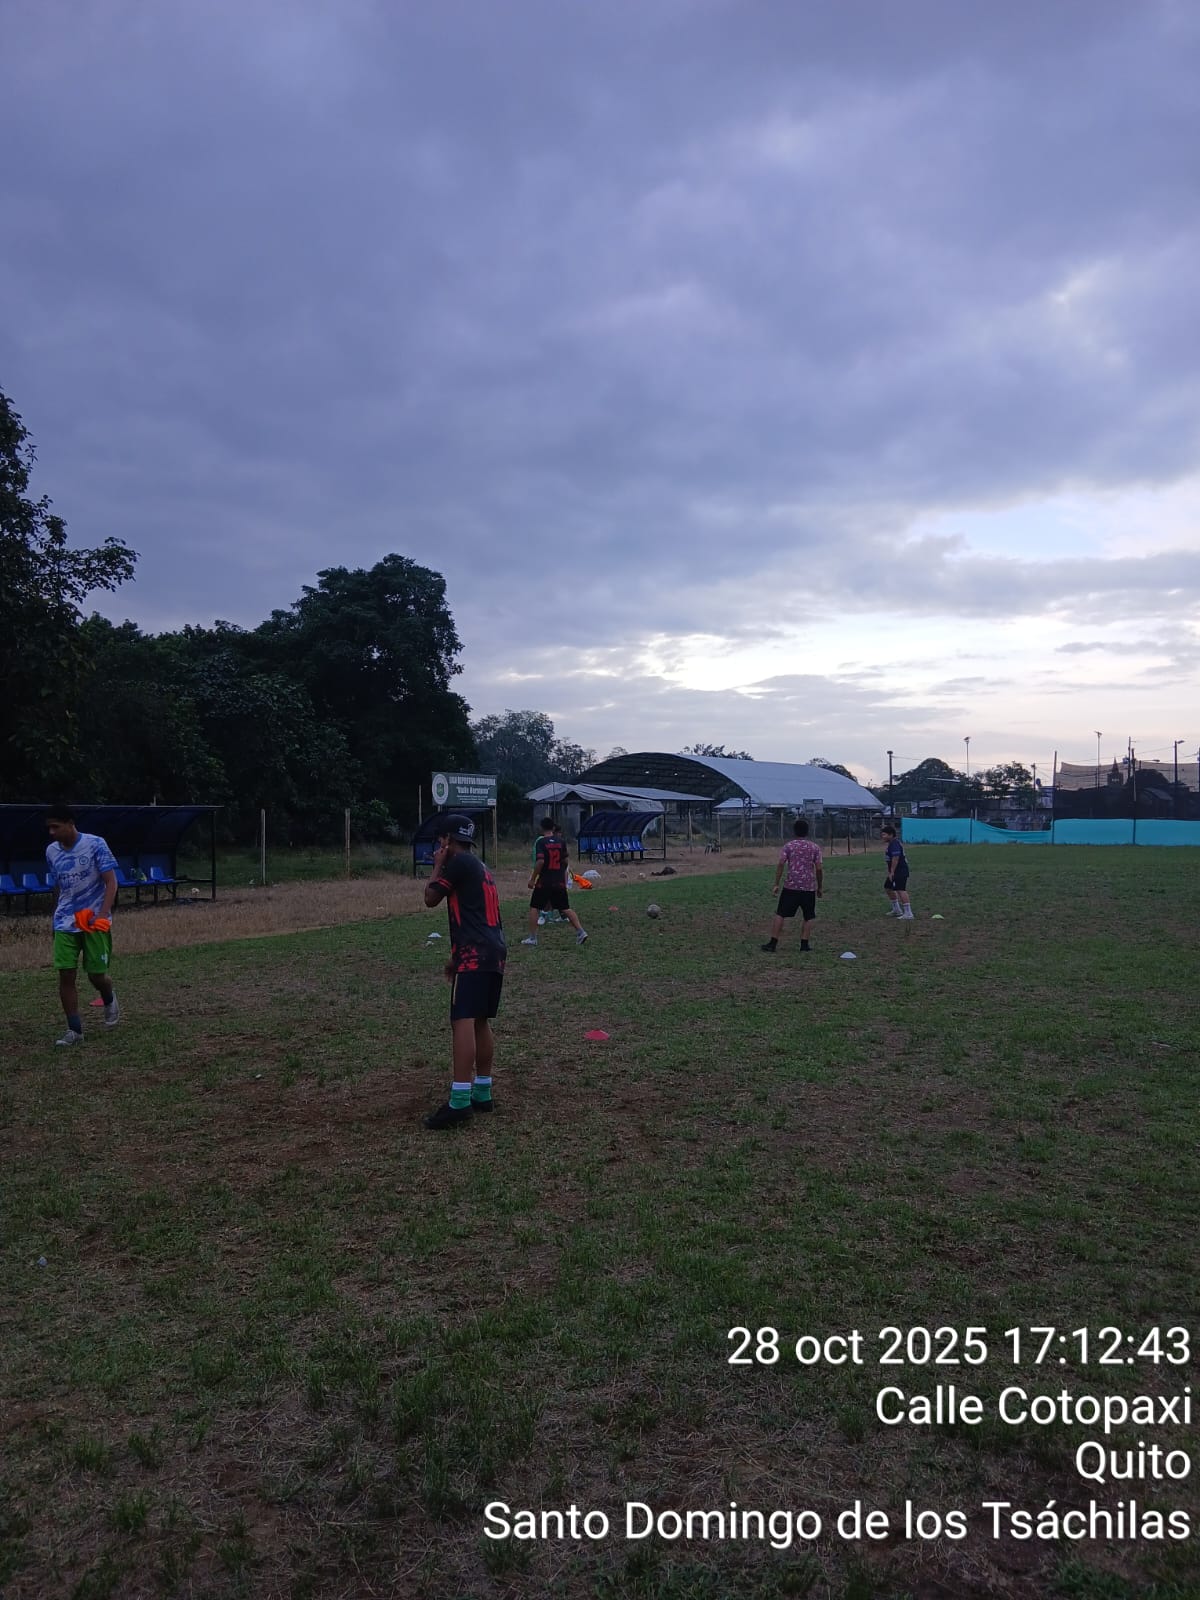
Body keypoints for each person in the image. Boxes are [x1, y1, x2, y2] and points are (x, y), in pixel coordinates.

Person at [422, 813, 507, 1129]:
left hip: (475, 953)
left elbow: (430, 898)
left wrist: (436, 866)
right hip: (493, 950)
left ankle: (459, 1101)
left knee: (462, 1020)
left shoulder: (457, 863)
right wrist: (456, 957)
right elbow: (477, 914)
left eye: (440, 841)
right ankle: (482, 1092)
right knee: (480, 1019)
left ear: (446, 840)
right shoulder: (480, 866)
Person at [45, 803, 120, 1045]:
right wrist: (54, 918)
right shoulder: (51, 852)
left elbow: (111, 882)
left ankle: (108, 996)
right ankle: (75, 1030)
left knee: (97, 975)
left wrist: (102, 914)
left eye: (56, 827)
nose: (52, 832)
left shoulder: (96, 844)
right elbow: (58, 886)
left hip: (93, 922)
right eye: (49, 828)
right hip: (65, 922)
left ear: (70, 823)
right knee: (66, 975)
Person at [522, 818, 588, 947]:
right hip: (559, 881)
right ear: (553, 828)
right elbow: (565, 861)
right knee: (565, 908)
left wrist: (533, 878)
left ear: (541, 828)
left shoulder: (541, 842)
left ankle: (532, 938)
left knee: (534, 907)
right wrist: (560, 873)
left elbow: (540, 861)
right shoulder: (561, 842)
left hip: (544, 881)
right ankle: (581, 932)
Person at [761, 817, 823, 953]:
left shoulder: (788, 846)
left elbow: (781, 864)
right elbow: (819, 868)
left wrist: (776, 883)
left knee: (780, 914)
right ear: (807, 831)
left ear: (794, 831)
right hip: (808, 887)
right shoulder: (815, 847)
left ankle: (772, 943)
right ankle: (804, 945)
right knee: (808, 916)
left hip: (791, 886)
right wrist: (819, 887)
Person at [883, 824, 914, 919]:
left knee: (901, 889)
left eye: (884, 834)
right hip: (895, 871)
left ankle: (908, 913)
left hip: (900, 870)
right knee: (888, 888)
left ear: (891, 835)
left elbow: (895, 858)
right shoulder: (891, 844)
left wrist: (892, 871)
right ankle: (897, 909)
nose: (882, 836)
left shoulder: (895, 844)